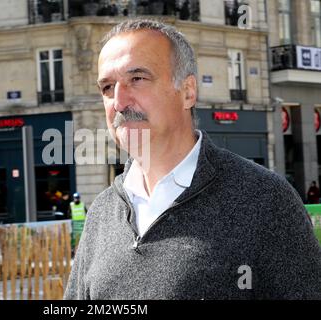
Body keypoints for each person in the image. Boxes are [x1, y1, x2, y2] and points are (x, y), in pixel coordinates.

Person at [64, 19, 321, 300]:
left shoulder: (266, 200)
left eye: (137, 79)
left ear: (188, 91)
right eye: (107, 87)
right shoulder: (102, 213)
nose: (119, 102)